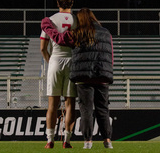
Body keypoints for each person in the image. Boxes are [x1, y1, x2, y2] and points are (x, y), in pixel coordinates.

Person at [41, 8, 113, 149]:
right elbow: (111, 55)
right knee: (103, 110)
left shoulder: (78, 33)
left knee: (86, 110)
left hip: (84, 77)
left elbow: (59, 39)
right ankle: (107, 140)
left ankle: (88, 142)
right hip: (103, 76)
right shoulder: (106, 32)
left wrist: (46, 24)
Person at [40, 0, 77, 149]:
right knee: (70, 104)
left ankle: (50, 140)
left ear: (57, 3)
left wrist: (51, 62)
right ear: (72, 2)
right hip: (71, 61)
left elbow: (42, 48)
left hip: (55, 60)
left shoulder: (50, 20)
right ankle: (67, 141)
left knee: (52, 105)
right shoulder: (77, 20)